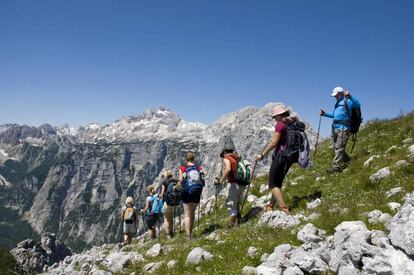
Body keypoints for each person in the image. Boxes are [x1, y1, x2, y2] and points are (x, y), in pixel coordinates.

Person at [256, 104, 296, 214]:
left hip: (281, 155)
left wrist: (262, 154)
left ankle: (284, 209)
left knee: (273, 184)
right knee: (278, 182)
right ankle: (270, 205)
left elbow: (274, 142)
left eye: (275, 116)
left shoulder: (280, 124)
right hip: (290, 156)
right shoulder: (292, 122)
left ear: (279, 115)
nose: (274, 119)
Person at [320, 87, 361, 174]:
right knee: (336, 147)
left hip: (344, 127)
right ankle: (348, 160)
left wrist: (350, 96)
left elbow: (358, 104)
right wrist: (324, 114)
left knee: (339, 147)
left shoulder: (348, 101)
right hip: (335, 127)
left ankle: (336, 167)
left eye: (336, 95)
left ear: (340, 93)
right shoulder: (337, 104)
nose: (335, 97)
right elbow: (333, 115)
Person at [216, 147, 247, 227]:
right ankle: (238, 222)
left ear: (225, 152)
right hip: (242, 184)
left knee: (231, 206)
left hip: (233, 184)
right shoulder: (237, 158)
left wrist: (221, 181)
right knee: (237, 204)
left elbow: (228, 169)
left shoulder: (227, 157)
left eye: (222, 155)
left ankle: (231, 226)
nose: (223, 158)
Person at [178, 152, 204, 239]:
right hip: (197, 191)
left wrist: (177, 187)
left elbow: (180, 181)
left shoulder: (183, 168)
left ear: (185, 159)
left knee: (187, 214)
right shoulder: (198, 167)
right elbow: (202, 179)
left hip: (187, 192)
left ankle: (188, 235)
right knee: (192, 213)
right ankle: (190, 232)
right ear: (194, 159)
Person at [159, 170, 180, 238]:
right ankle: (171, 232)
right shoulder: (176, 181)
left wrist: (159, 196)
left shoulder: (164, 182)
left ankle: (168, 234)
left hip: (167, 202)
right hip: (175, 203)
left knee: (166, 218)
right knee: (171, 218)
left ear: (166, 175)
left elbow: (162, 194)